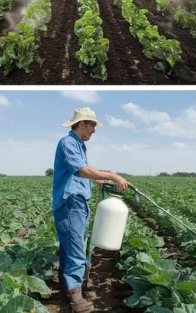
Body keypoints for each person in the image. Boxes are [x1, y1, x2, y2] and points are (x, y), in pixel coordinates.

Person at [53, 107, 129, 313]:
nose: (94, 131)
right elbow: (83, 170)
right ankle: (75, 297)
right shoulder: (68, 143)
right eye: (92, 126)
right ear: (82, 124)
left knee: (72, 245)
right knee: (76, 248)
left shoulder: (78, 146)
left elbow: (81, 174)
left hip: (78, 202)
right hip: (70, 202)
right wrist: (112, 175)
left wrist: (100, 180)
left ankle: (68, 285)